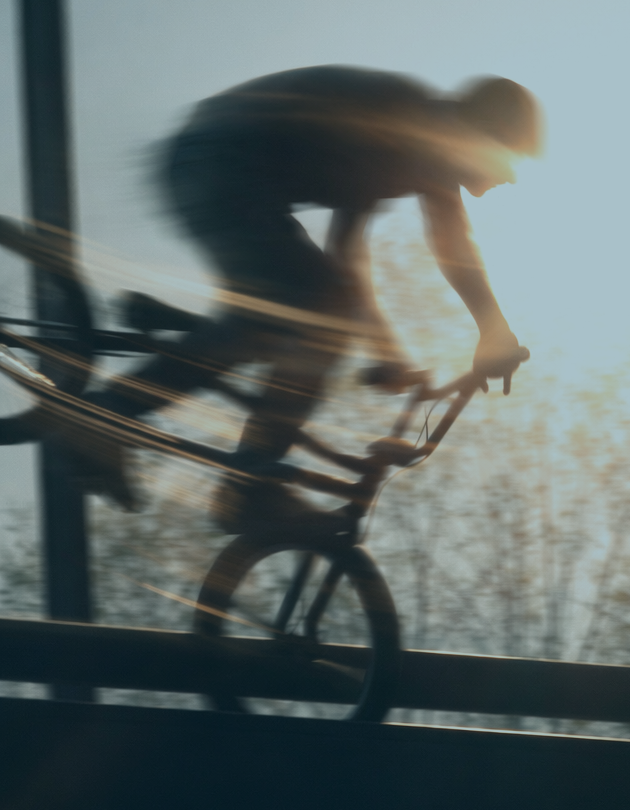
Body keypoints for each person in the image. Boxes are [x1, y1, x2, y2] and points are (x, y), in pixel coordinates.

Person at [64, 66, 539, 530]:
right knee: (310, 308)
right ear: (482, 136)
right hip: (222, 164)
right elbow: (418, 247)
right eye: (510, 157)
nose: (511, 178)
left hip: (216, 163)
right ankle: (148, 435)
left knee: (299, 309)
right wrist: (459, 339)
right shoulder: (411, 129)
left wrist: (400, 351)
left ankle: (190, 357)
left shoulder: (420, 135)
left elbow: (396, 252)